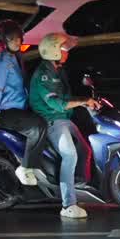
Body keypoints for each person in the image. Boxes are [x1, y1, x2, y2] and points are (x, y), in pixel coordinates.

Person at [29, 33, 100, 220]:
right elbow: (57, 104)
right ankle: (68, 204)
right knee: (70, 155)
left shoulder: (58, 70)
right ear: (53, 52)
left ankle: (78, 185)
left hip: (63, 118)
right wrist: (83, 101)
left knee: (85, 149)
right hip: (52, 120)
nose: (66, 52)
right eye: (63, 49)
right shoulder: (44, 75)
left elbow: (66, 99)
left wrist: (85, 102)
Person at [0, 20, 48, 188]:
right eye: (12, 39)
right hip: (7, 111)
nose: (17, 41)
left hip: (19, 108)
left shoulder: (15, 58)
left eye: (18, 38)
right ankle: (26, 167)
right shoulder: (2, 63)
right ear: (3, 42)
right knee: (38, 127)